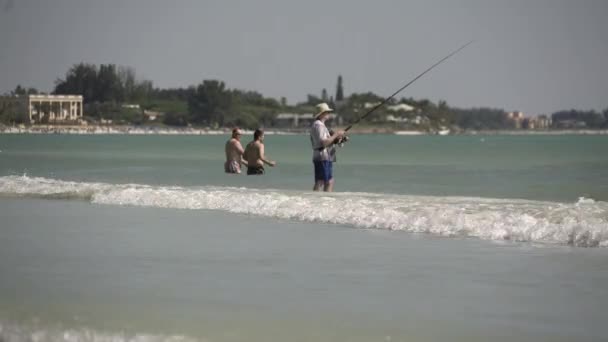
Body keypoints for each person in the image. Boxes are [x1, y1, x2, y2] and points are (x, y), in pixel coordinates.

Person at [310, 103, 345, 192]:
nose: (329, 114)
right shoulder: (319, 125)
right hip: (322, 156)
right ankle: (315, 201)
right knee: (322, 181)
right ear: (321, 114)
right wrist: (337, 134)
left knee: (328, 181)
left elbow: (327, 141)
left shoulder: (320, 125)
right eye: (327, 112)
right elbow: (324, 142)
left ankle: (325, 201)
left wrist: (337, 139)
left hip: (325, 156)